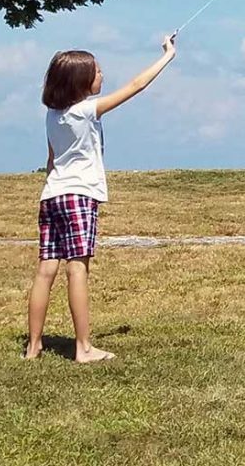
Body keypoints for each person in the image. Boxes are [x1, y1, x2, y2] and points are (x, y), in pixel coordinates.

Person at [24, 33, 177, 363]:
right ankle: (83, 348)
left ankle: (33, 346)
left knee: (45, 271)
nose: (102, 76)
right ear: (81, 82)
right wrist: (167, 55)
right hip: (79, 195)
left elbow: (52, 159)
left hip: (51, 195)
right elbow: (137, 85)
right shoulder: (86, 111)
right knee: (77, 269)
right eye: (97, 72)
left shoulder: (53, 116)